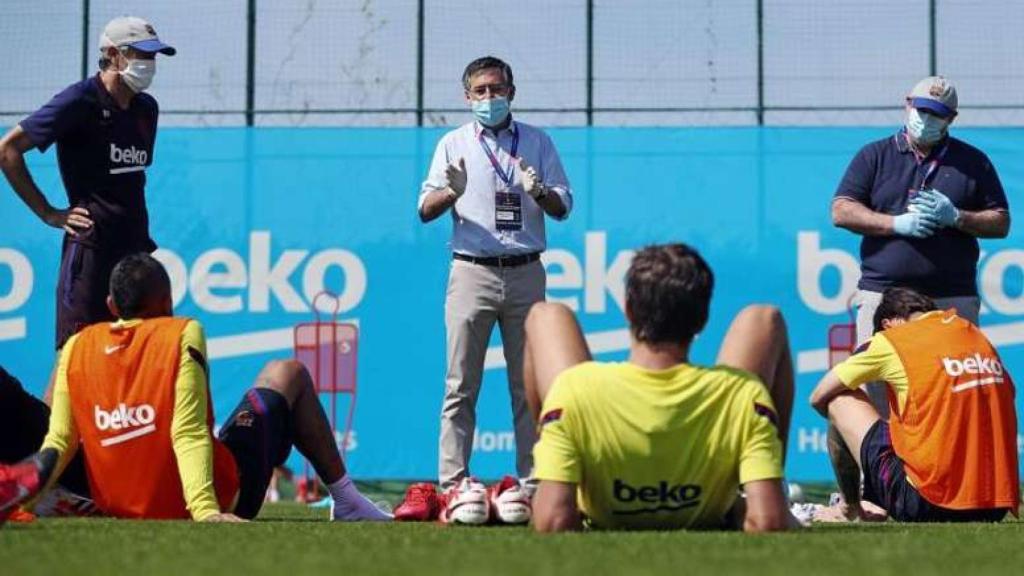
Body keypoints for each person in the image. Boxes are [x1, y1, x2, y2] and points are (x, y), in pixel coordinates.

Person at [0, 253, 391, 523]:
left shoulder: (76, 345)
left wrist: (26, 495)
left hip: (116, 503)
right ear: (168, 301)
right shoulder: (181, 333)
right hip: (216, 495)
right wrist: (206, 510)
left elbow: (61, 440)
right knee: (286, 373)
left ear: (111, 305)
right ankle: (347, 500)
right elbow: (186, 431)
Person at [524, 243, 795, 532]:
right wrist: (756, 505)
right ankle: (767, 480)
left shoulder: (573, 389)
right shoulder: (743, 393)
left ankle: (552, 473)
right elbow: (768, 521)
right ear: (703, 319)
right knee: (764, 317)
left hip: (601, 505)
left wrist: (559, 499)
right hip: (711, 506)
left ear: (628, 310)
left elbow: (552, 521)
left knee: (544, 315)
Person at [417, 56, 573, 497]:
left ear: (512, 92)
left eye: (497, 89)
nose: (490, 97)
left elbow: (563, 207)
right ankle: (453, 484)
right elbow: (424, 210)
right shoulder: (453, 144)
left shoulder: (538, 142)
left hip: (526, 272)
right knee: (460, 385)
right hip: (471, 272)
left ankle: (534, 483)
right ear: (467, 97)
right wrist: (453, 192)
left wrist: (539, 190)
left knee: (529, 388)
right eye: (481, 91)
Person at [831, 75, 1010, 415]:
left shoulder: (973, 161)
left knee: (954, 398)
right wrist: (895, 223)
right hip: (883, 295)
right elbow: (841, 210)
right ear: (907, 105)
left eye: (937, 114)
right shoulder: (875, 155)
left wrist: (956, 216)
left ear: (951, 119)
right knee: (877, 397)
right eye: (922, 110)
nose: (926, 120)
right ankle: (880, 468)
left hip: (951, 298)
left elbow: (1000, 222)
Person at [0, 16, 175, 351]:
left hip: (135, 253)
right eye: (142, 54)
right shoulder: (79, 100)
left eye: (153, 57)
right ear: (112, 53)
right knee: (75, 357)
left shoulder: (146, 109)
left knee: (143, 356)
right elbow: (7, 150)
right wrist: (49, 213)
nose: (149, 64)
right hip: (91, 253)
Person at [810, 287, 1019, 523]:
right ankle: (876, 495)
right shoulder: (974, 336)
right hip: (993, 506)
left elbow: (818, 395)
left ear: (888, 324)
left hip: (926, 503)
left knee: (839, 399)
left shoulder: (892, 339)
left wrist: (852, 438)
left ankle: (849, 508)